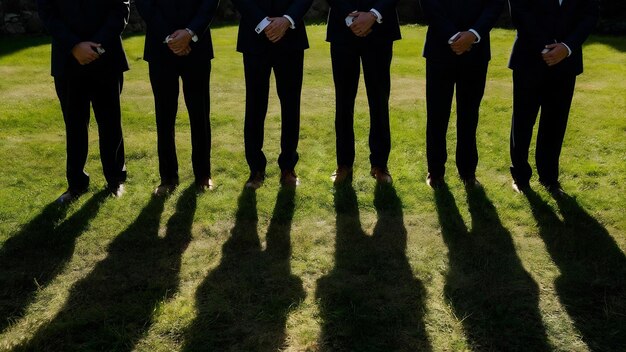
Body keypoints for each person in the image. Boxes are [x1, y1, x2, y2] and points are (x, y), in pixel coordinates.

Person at [37, 0, 130, 204]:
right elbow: (46, 11)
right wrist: (74, 45)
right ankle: (76, 184)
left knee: (110, 122)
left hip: (106, 57)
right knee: (74, 124)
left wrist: (96, 46)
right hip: (67, 59)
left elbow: (120, 8)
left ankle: (115, 180)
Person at [508, 0, 599, 195]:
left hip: (566, 62)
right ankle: (520, 177)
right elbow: (520, 11)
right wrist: (547, 47)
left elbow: (589, 16)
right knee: (523, 121)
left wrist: (566, 47)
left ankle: (549, 178)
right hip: (529, 59)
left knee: (555, 123)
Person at [136, 0, 219, 196]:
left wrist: (190, 33)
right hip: (160, 47)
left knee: (199, 114)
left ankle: (203, 175)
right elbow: (146, 4)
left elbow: (209, 2)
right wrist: (170, 37)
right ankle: (167, 178)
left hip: (197, 47)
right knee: (164, 116)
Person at [420, 0, 504, 189]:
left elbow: (495, 5)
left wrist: (473, 34)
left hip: (476, 51)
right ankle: (435, 172)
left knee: (469, 115)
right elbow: (429, 5)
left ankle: (468, 172)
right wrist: (452, 36)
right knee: (437, 114)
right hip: (439, 49)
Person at [232, 0, 312, 189]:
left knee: (291, 106)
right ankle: (256, 169)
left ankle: (288, 167)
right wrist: (263, 22)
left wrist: (286, 19)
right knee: (255, 106)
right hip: (254, 35)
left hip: (291, 37)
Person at [326, 0, 401, 185]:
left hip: (380, 30)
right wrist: (350, 17)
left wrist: (374, 14)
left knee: (379, 101)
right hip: (342, 29)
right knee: (343, 102)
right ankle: (344, 164)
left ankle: (380, 165)